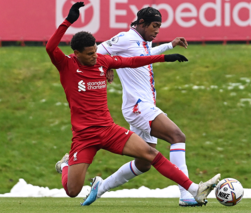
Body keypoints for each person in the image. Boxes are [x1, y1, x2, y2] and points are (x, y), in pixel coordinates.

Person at [47, 2, 220, 206]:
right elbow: (50, 47)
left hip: (108, 130)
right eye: (90, 54)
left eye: (95, 51)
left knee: (149, 155)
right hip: (84, 136)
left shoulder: (103, 61)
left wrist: (166, 56)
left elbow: (132, 61)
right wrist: (68, 21)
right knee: (72, 190)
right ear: (76, 53)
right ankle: (66, 164)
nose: (95, 56)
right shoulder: (66, 65)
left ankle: (193, 190)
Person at [95, 7, 209, 207]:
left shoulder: (142, 42)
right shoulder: (124, 38)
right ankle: (187, 194)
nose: (157, 31)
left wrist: (169, 45)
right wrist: (108, 66)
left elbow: (145, 55)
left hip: (143, 106)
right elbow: (96, 52)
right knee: (177, 136)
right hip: (138, 107)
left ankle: (100, 187)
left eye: (159, 27)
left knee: (144, 163)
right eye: (154, 26)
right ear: (141, 23)